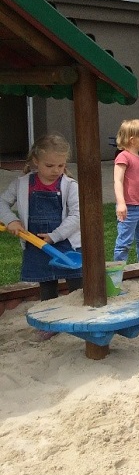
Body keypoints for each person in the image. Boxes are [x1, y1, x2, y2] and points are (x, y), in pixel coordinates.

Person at [0, 134, 82, 339]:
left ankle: (79, 318)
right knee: (46, 285)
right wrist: (11, 220)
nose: (55, 171)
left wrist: (55, 235)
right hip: (36, 243)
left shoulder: (70, 185)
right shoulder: (22, 184)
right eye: (50, 165)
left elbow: (77, 215)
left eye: (60, 166)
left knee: (77, 283)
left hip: (66, 243)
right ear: (36, 161)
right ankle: (50, 323)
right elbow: (1, 203)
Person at [112, 119, 139, 263]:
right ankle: (117, 275)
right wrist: (121, 203)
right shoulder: (123, 157)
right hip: (130, 208)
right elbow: (118, 180)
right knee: (124, 243)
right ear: (132, 140)